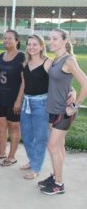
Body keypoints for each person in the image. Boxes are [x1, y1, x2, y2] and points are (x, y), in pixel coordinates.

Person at [39, 29, 87, 195]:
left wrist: (75, 104)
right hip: (53, 109)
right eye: (49, 38)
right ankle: (56, 175)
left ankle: (59, 185)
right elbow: (64, 82)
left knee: (52, 146)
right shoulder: (56, 60)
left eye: (55, 39)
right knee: (59, 147)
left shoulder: (69, 60)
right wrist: (71, 89)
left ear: (65, 41)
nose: (50, 41)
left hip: (64, 112)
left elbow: (85, 83)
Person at [0, 29, 25, 166]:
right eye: (5, 38)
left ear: (17, 41)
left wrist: (18, 100)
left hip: (13, 98)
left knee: (13, 126)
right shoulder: (1, 56)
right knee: (1, 125)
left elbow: (24, 81)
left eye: (10, 38)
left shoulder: (21, 57)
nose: (6, 41)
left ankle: (12, 156)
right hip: (0, 97)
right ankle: (1, 152)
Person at [20, 35, 52, 179]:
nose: (31, 47)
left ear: (41, 46)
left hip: (41, 104)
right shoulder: (25, 63)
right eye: (29, 44)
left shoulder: (47, 63)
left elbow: (58, 81)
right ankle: (33, 160)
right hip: (26, 103)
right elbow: (24, 83)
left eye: (35, 44)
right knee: (26, 136)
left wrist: (72, 91)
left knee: (40, 138)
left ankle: (36, 167)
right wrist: (18, 101)